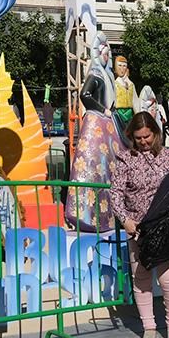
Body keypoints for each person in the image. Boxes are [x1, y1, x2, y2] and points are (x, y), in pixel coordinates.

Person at [110, 112, 169, 338]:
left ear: (156, 133)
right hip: (137, 229)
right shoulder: (125, 159)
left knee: (167, 279)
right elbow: (115, 193)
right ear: (131, 137)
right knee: (142, 279)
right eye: (138, 138)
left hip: (166, 228)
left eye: (147, 136)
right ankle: (149, 329)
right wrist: (124, 219)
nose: (143, 142)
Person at [66, 33, 125, 232]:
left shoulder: (105, 76)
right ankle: (85, 212)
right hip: (97, 126)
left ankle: (106, 215)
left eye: (108, 54)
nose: (107, 57)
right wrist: (102, 110)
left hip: (105, 126)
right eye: (104, 54)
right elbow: (85, 95)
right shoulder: (96, 75)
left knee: (106, 170)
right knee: (92, 168)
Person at [112, 56, 139, 136]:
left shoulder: (131, 84)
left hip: (130, 113)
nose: (122, 68)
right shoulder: (114, 84)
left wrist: (138, 115)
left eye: (124, 66)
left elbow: (135, 101)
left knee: (130, 133)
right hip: (118, 112)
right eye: (119, 66)